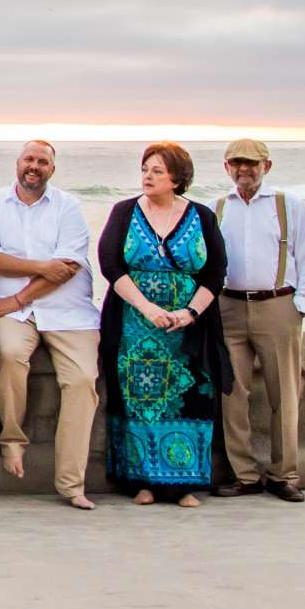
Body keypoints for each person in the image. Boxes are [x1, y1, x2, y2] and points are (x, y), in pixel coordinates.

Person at [99, 143, 234, 508]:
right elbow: (111, 266)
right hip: (135, 325)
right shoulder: (124, 212)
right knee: (138, 402)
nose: (148, 176)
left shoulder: (202, 216)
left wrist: (190, 312)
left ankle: (184, 484)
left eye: (157, 170)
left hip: (188, 329)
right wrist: (147, 309)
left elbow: (215, 271)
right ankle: (142, 482)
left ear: (177, 177)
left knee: (189, 399)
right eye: (145, 169)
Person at [0, 140, 102, 507]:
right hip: (14, 316)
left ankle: (72, 484)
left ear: (52, 169)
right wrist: (40, 267)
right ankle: (12, 443)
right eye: (29, 159)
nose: (35, 166)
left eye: (43, 161)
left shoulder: (69, 207)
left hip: (67, 311)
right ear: (17, 164)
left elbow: (66, 269)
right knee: (11, 355)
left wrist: (19, 297)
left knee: (82, 381)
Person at [213, 138, 305, 502]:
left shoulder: (288, 206)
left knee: (283, 394)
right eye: (236, 163)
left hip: (277, 306)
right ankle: (244, 475)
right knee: (232, 394)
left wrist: (299, 305)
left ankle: (283, 474)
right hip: (229, 308)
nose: (244, 170)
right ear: (226, 167)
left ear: (267, 167)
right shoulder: (217, 209)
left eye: (252, 163)